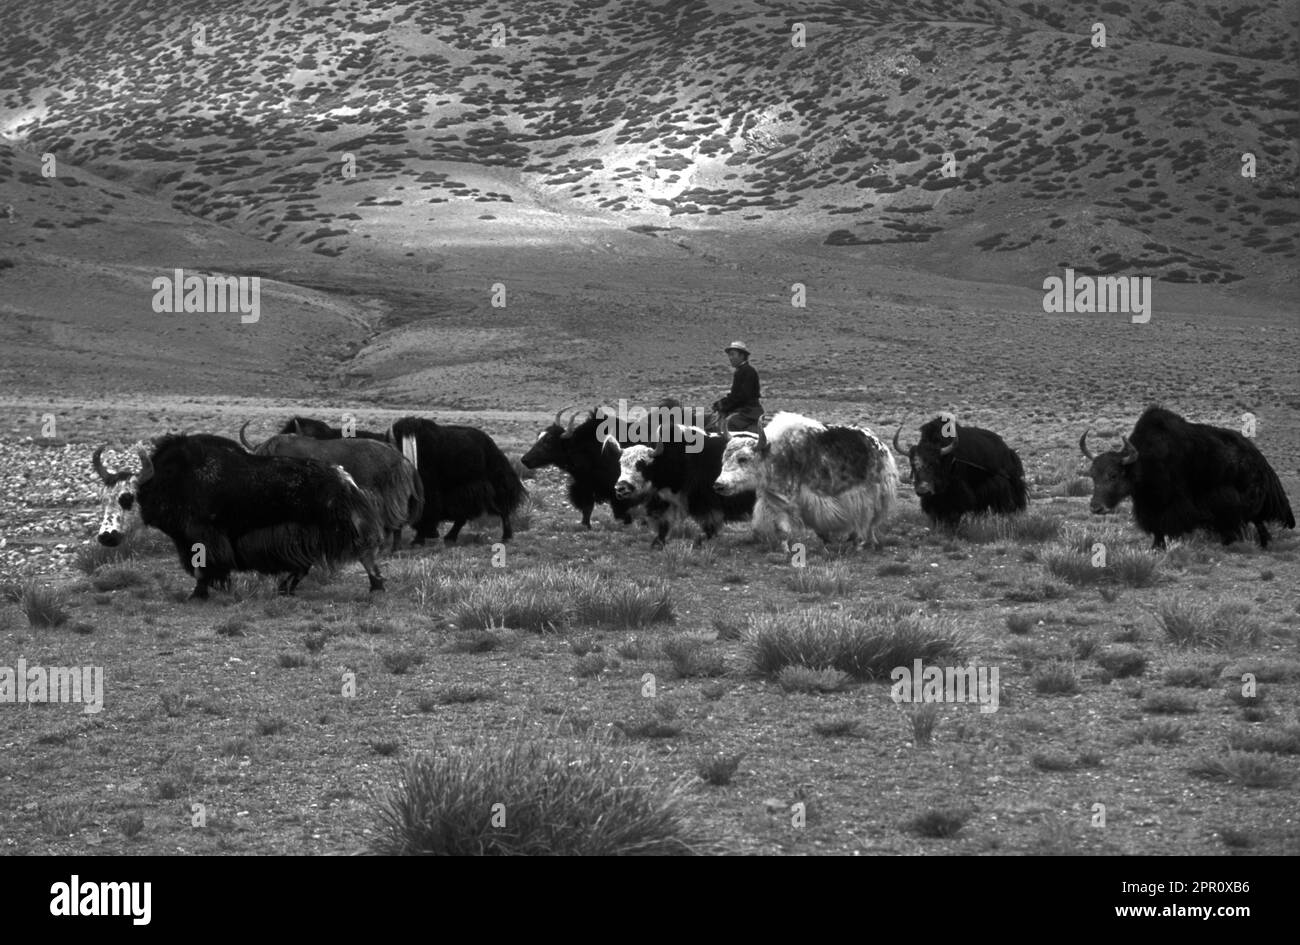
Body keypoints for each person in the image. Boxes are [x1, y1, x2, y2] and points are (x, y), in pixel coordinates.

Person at [709, 341, 764, 433]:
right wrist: (721, 403)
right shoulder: (741, 371)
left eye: (732, 355)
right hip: (742, 408)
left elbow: (743, 396)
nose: (730, 358)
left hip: (749, 410)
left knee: (730, 423)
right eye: (729, 355)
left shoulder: (748, 371)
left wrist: (724, 405)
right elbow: (736, 395)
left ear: (742, 355)